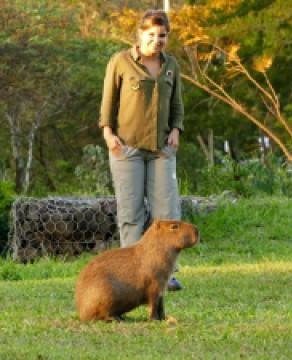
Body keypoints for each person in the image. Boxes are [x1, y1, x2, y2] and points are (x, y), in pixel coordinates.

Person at [98, 10, 185, 291]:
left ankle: (166, 274)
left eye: (162, 36)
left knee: (167, 214)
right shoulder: (120, 62)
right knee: (131, 213)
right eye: (151, 35)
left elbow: (177, 104)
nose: (157, 40)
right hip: (127, 148)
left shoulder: (170, 65)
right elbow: (108, 103)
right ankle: (132, 276)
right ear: (140, 35)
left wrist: (176, 129)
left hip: (161, 149)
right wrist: (108, 133)